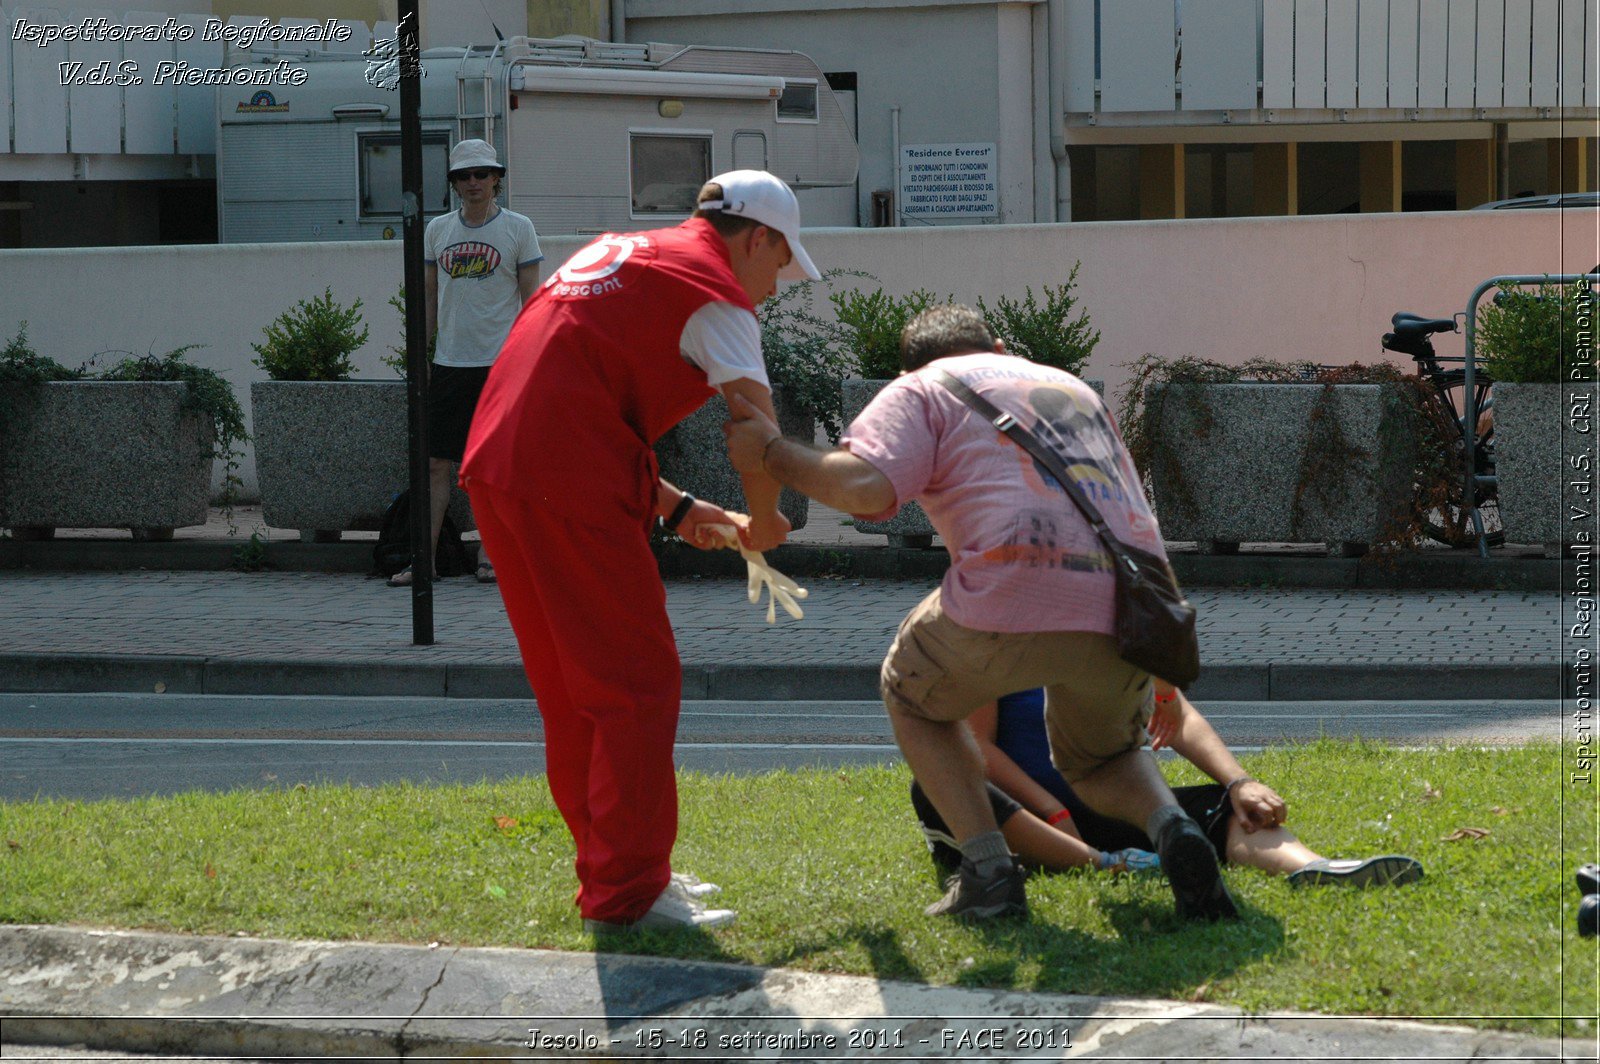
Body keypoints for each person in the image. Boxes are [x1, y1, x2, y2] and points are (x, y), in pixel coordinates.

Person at [725, 303, 1238, 924]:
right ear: (997, 345)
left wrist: (773, 451)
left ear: (906, 367)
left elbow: (865, 491)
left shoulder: (920, 389)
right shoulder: (1071, 388)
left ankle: (989, 873)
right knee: (1102, 758)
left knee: (912, 694)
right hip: (1133, 599)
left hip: (1015, 575)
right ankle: (1173, 829)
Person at [459, 170, 817, 932]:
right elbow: (757, 434)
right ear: (757, 238)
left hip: (499, 470)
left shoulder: (624, 253)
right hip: (567, 483)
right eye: (782, 263)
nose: (777, 286)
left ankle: (618, 874)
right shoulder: (714, 288)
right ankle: (627, 896)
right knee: (635, 685)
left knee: (575, 694)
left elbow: (571, 395)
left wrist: (678, 506)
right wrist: (766, 520)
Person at [912, 683, 1423, 888]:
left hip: (1107, 805)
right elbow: (975, 748)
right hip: (1025, 819)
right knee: (933, 786)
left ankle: (1314, 871)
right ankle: (1104, 863)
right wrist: (1052, 811)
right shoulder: (993, 634)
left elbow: (1174, 713)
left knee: (1225, 807)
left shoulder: (1107, 627)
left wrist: (1239, 781)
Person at [389, 139, 542, 587]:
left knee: (491, 467)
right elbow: (428, 299)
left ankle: (490, 556)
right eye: (464, 176)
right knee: (438, 463)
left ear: (497, 178)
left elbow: (533, 301)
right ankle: (425, 560)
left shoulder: (518, 229)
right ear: (454, 183)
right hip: (450, 364)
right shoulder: (437, 231)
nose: (473, 183)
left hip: (501, 364)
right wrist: (420, 355)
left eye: (481, 174)